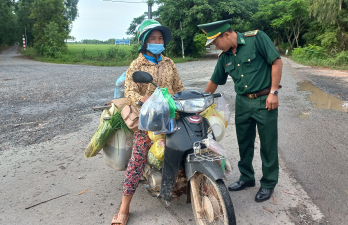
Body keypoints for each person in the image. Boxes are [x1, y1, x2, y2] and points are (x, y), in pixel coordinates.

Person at [197, 19, 283, 202]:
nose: (215, 47)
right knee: (244, 142)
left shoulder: (256, 38)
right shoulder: (225, 57)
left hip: (264, 100)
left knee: (268, 144)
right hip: (242, 103)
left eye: (216, 42)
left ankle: (268, 183)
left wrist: (274, 92)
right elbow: (214, 81)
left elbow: (276, 61)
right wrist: (201, 103)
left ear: (226, 34)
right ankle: (247, 178)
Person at [110, 19, 184, 225]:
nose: (157, 41)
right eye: (153, 38)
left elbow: (178, 88)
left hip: (170, 116)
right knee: (137, 160)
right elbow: (130, 90)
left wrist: (184, 100)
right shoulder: (137, 64)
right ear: (144, 42)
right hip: (148, 119)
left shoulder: (169, 63)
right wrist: (140, 99)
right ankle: (124, 208)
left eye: (160, 38)